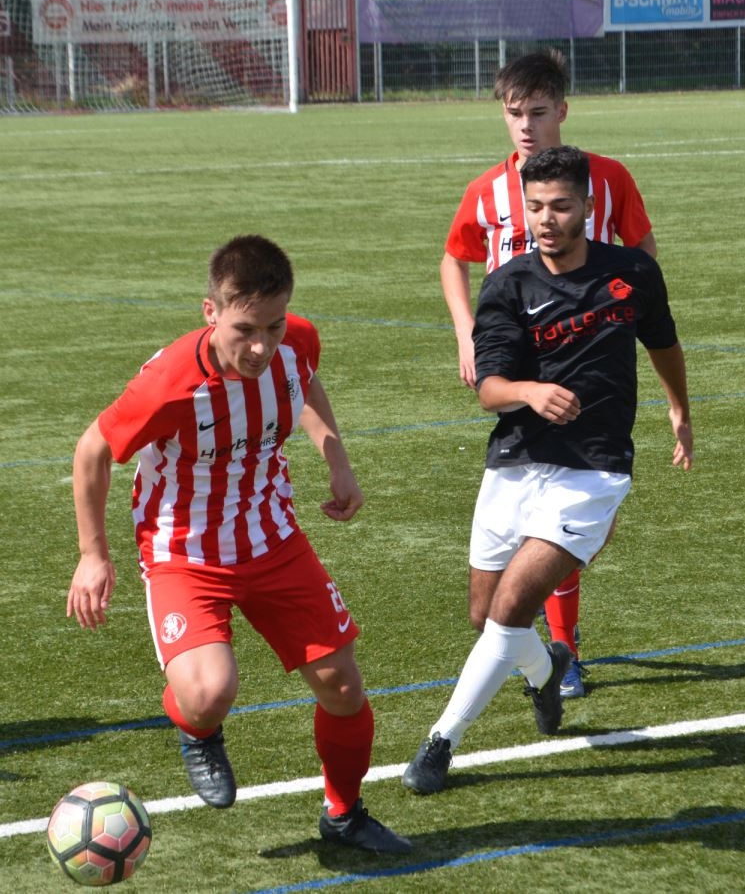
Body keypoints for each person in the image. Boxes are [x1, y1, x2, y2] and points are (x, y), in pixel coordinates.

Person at [67, 234, 411, 854]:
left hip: (272, 536)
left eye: (274, 327)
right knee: (208, 693)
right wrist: (94, 556)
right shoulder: (169, 385)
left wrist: (336, 457)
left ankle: (344, 814)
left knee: (342, 686)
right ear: (211, 312)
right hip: (185, 552)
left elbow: (302, 383)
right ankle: (197, 730)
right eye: (245, 329)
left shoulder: (294, 340)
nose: (261, 347)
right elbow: (92, 450)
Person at [403, 146, 692, 794]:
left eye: (560, 206)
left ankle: (439, 740)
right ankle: (546, 667)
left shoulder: (632, 273)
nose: (545, 218)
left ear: (588, 207)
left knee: (508, 610)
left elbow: (663, 340)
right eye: (534, 206)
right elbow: (488, 389)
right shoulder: (506, 284)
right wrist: (528, 393)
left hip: (593, 471)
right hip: (515, 462)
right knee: (486, 614)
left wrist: (679, 408)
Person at [440, 49, 658, 698]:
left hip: (581, 355)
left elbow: (640, 252)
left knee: (562, 504)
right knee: (524, 506)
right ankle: (534, 645)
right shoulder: (486, 190)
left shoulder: (605, 179)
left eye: (538, 112)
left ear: (562, 110)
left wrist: (629, 322)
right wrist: (465, 333)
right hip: (514, 360)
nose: (526, 125)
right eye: (514, 114)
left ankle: (563, 645)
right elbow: (454, 256)